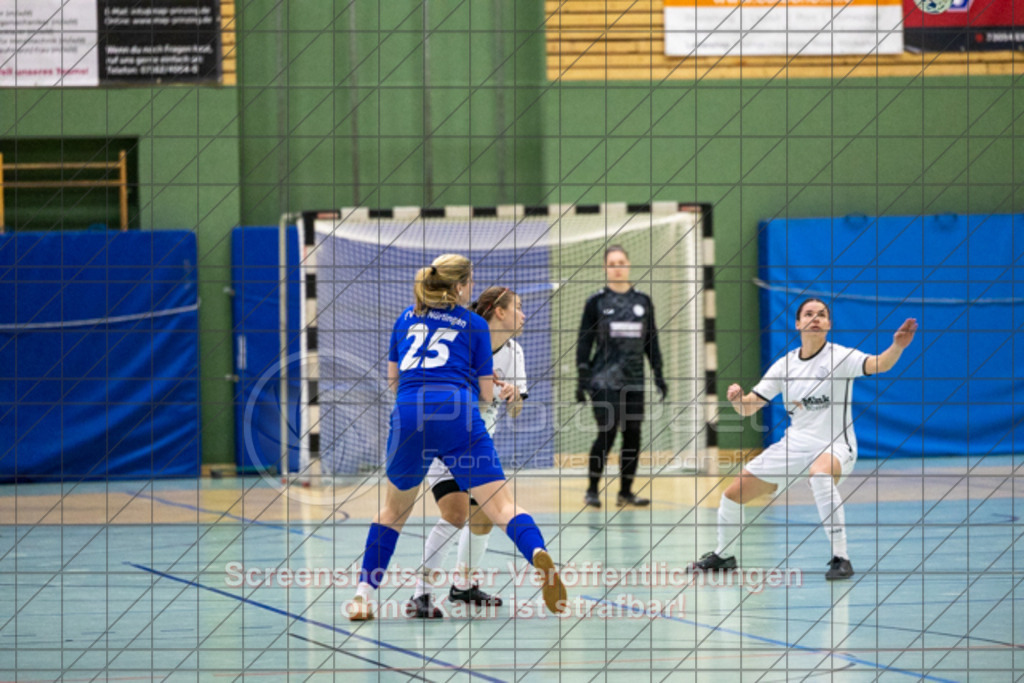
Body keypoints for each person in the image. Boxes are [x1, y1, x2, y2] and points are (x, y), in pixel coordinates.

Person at [347, 254, 566, 621]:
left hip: (409, 413)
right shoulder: (473, 325)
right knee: (502, 508)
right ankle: (538, 554)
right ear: (461, 286)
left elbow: (393, 380)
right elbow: (484, 395)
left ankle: (362, 597)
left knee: (393, 512)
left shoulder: (405, 317)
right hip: (459, 416)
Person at [690, 298, 918, 580]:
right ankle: (724, 555)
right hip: (795, 445)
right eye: (809, 314)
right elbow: (749, 407)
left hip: (836, 446)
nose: (816, 318)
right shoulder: (784, 366)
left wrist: (897, 346)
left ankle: (841, 558)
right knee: (733, 494)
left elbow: (880, 364)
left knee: (819, 475)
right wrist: (738, 400)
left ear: (829, 324)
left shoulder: (841, 357)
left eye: (822, 314)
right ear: (798, 323)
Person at [409, 286, 528, 618]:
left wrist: (513, 396)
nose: (523, 314)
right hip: (443, 436)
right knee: (454, 513)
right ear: (498, 312)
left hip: (478, 444)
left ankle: (463, 587)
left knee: (483, 519)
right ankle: (420, 593)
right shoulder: (459, 342)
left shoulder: (514, 352)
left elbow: (516, 411)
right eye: (518, 307)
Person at [576, 245, 667, 508]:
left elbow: (652, 341)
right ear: (606, 268)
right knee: (607, 432)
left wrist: (658, 373)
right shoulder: (596, 302)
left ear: (628, 265)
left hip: (634, 380)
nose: (617, 266)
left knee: (633, 435)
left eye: (621, 262)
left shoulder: (642, 302)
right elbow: (585, 341)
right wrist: (582, 377)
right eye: (612, 263)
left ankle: (625, 492)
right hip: (603, 380)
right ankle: (592, 490)